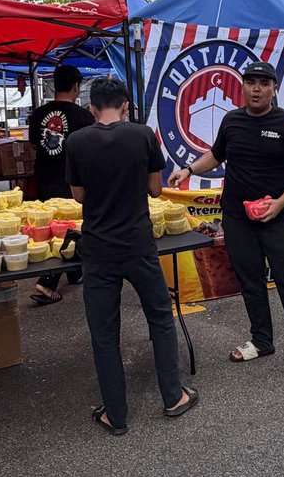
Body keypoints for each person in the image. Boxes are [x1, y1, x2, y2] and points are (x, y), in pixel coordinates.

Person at [169, 60, 284, 381]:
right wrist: (188, 170)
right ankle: (262, 340)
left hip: (277, 216)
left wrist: (279, 202)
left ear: (274, 88)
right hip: (238, 217)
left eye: (263, 83)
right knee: (250, 281)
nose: (256, 88)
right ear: (242, 87)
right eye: (251, 82)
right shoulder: (232, 120)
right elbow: (216, 154)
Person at [66, 76, 198, 434]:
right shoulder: (142, 135)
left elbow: (79, 196)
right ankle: (173, 397)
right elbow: (156, 189)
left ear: (92, 109)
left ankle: (116, 414)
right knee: (159, 317)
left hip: (98, 248)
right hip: (138, 243)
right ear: (125, 106)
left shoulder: (76, 140)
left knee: (105, 332)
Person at [27, 64, 95, 305]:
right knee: (66, 230)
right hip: (71, 181)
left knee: (51, 229)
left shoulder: (37, 114)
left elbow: (34, 146)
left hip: (44, 178)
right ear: (76, 86)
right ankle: (47, 282)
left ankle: (75, 272)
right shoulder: (84, 117)